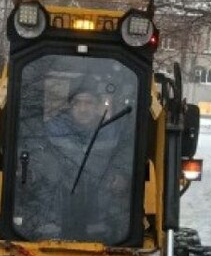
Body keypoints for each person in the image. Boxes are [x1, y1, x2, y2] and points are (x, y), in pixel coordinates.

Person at [16, 76, 134, 242]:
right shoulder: (51, 131)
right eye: (77, 103)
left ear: (97, 106)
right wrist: (31, 174)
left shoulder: (112, 133)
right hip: (53, 213)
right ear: (69, 106)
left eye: (89, 103)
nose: (83, 108)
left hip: (101, 215)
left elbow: (124, 156)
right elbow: (39, 159)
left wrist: (121, 176)